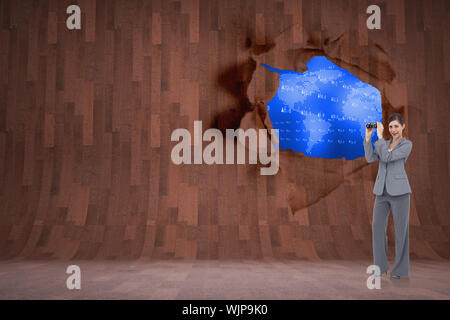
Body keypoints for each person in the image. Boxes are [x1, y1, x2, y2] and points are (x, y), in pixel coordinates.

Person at [363, 113, 413, 281]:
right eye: (390, 127)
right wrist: (368, 139)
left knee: (401, 232)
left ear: (403, 127)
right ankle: (380, 267)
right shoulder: (383, 143)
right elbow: (370, 158)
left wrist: (380, 137)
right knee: (377, 228)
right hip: (381, 192)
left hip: (400, 192)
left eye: (396, 126)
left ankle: (400, 270)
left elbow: (387, 157)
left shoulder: (407, 145)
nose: (393, 130)